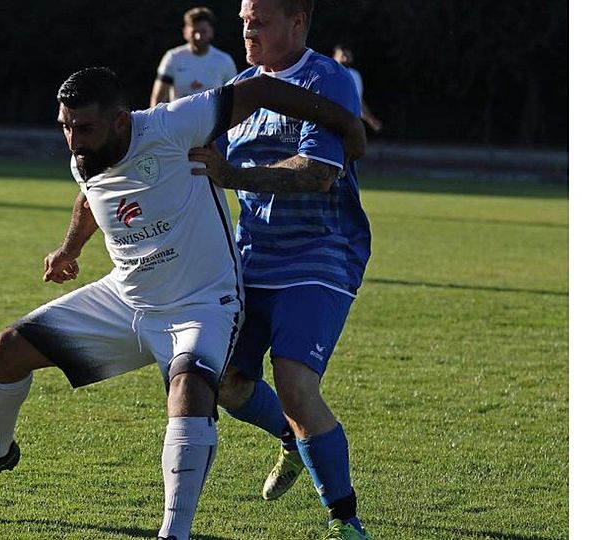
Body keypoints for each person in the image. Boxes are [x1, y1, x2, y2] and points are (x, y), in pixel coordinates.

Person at [0, 66, 365, 540]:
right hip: (125, 298)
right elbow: (90, 198)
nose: (73, 140)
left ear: (121, 120)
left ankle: (173, 533)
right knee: (8, 349)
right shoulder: (86, 154)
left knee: (191, 390)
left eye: (84, 127)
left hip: (201, 304)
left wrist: (346, 124)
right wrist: (68, 249)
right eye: (65, 126)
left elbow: (260, 88)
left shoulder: (172, 125)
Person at [187, 0, 374, 539]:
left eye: (260, 21)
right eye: (244, 20)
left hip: (320, 254)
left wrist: (233, 175)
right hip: (251, 258)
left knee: (294, 383)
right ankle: (293, 439)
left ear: (297, 22)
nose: (247, 30)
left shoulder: (326, 80)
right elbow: (198, 154)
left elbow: (317, 172)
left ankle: (345, 521)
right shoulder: (242, 87)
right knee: (226, 383)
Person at [149, 7, 239, 107]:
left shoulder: (224, 60)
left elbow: (234, 98)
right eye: (194, 32)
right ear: (185, 32)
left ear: (211, 32)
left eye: (203, 31)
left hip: (212, 117)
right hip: (179, 116)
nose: (198, 37)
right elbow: (158, 99)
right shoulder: (173, 57)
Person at [333, 44, 383, 132]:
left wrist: (371, 119)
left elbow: (358, 101)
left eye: (348, 56)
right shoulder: (327, 74)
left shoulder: (355, 75)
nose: (345, 59)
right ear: (334, 57)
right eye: (342, 56)